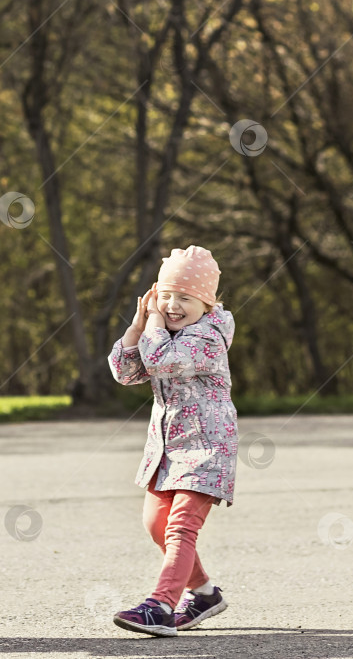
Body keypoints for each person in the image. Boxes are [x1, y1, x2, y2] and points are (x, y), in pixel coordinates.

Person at [107, 245, 238, 637]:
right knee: (156, 524)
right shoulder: (159, 332)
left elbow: (162, 360)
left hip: (207, 448)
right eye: (166, 295)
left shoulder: (207, 336)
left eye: (185, 298)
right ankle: (204, 593)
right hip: (169, 448)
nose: (173, 305)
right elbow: (128, 372)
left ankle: (161, 605)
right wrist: (137, 326)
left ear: (208, 303)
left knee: (181, 527)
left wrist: (154, 327)